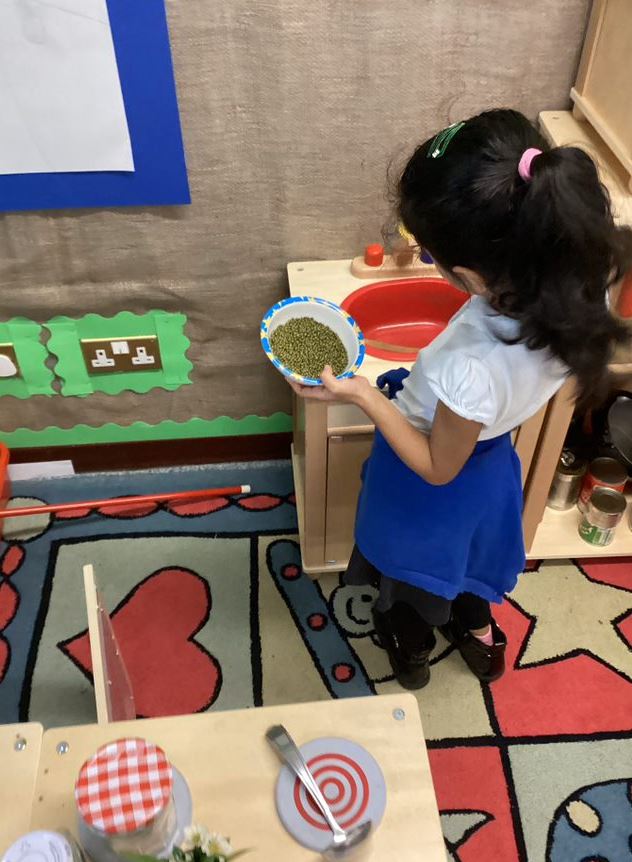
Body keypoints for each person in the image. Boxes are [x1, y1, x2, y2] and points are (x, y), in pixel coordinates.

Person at [290, 109, 632, 690]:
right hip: (494, 463)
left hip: (431, 478)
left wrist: (364, 396)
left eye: (427, 252)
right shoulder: (576, 278)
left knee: (414, 579)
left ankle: (410, 648)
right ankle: (473, 628)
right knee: (466, 563)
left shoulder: (470, 369)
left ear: (471, 276)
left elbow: (435, 466)